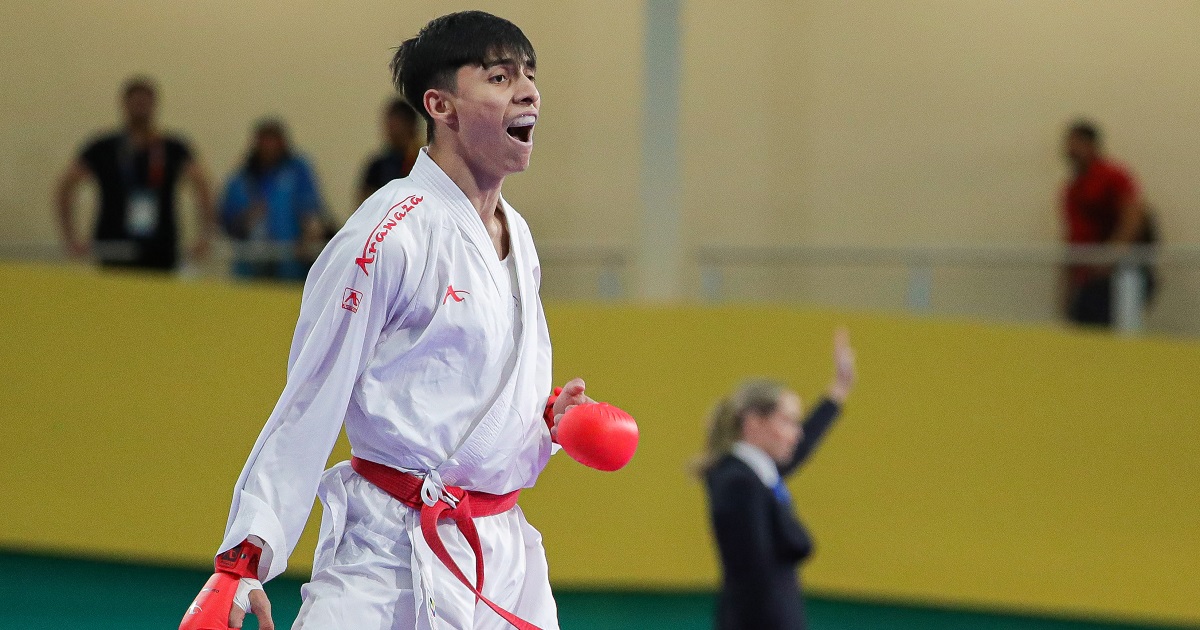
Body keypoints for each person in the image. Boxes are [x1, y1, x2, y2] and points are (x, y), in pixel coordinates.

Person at [195, 11, 585, 630]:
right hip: (389, 554)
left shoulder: (520, 236)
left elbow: (464, 390)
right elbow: (310, 399)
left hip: (503, 559)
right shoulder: (386, 234)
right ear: (441, 105)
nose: (528, 90)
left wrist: (545, 421)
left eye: (530, 75)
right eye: (499, 75)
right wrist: (244, 558)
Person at [698, 328, 857, 630]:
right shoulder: (739, 483)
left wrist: (838, 391)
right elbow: (755, 573)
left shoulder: (754, 472)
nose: (796, 433)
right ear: (753, 423)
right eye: (786, 422)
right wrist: (799, 541)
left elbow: (803, 444)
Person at [55, 76, 216, 271]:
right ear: (124, 104)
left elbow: (203, 187)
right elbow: (66, 187)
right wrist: (70, 237)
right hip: (113, 245)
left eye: (145, 102)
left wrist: (205, 236)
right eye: (136, 101)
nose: (141, 107)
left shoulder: (173, 147)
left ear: (154, 105)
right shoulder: (103, 147)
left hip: (161, 246)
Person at [1060, 120, 1157, 326]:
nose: (1070, 149)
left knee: (1112, 329)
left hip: (1121, 271)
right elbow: (1073, 240)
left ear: (1091, 145)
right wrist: (1067, 290)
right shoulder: (1072, 190)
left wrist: (1111, 257)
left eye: (1076, 143)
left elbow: (1133, 216)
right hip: (1090, 277)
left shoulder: (1112, 176)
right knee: (1082, 329)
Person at [220, 119, 327, 281]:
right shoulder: (241, 179)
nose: (269, 147)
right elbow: (226, 220)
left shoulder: (297, 172)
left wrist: (311, 233)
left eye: (273, 141)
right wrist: (248, 217)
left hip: (290, 263)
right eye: (265, 141)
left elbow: (311, 211)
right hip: (250, 266)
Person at [359, 98, 421, 202]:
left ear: (411, 125)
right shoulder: (378, 166)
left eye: (396, 124)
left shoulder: (421, 161)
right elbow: (364, 201)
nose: (389, 129)